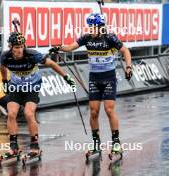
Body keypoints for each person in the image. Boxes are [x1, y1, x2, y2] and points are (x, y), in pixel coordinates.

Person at [49, 13, 132, 153]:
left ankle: (116, 142)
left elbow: (125, 51)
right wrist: (59, 48)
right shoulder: (86, 38)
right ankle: (96, 142)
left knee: (109, 109)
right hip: (94, 78)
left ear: (100, 28)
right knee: (93, 112)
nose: (90, 29)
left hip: (109, 78)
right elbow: (70, 47)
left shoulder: (110, 38)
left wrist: (128, 66)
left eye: (93, 27)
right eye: (90, 27)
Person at [0, 32, 76, 157]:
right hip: (16, 86)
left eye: (21, 46)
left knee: (28, 113)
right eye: (16, 47)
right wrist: (4, 81)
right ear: (10, 47)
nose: (19, 50)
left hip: (32, 86)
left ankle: (34, 145)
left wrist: (66, 77)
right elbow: (2, 67)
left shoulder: (32, 55)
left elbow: (51, 64)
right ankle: (13, 146)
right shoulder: (5, 56)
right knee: (11, 113)